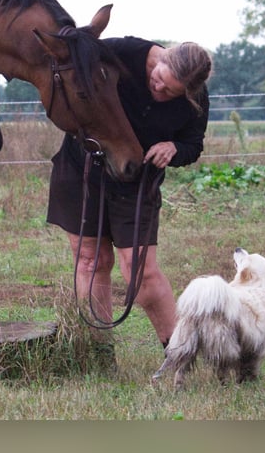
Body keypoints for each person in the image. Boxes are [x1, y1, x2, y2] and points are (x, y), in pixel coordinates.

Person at [46, 37, 212, 351]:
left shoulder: (196, 98)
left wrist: (174, 147)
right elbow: (73, 58)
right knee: (90, 261)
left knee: (141, 272)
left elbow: (193, 144)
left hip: (137, 181)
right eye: (159, 80)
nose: (160, 90)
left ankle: (178, 351)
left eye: (170, 92)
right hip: (82, 170)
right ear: (161, 59)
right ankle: (97, 351)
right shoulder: (124, 52)